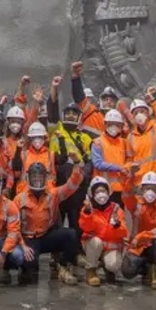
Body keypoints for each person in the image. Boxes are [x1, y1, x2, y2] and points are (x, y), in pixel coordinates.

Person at [14, 161, 87, 284]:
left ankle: (62, 266)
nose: (37, 180)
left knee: (71, 235)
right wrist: (23, 246)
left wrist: (76, 167)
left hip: (47, 236)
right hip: (28, 239)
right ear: (28, 178)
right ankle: (26, 269)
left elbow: (72, 185)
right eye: (34, 177)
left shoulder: (53, 194)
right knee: (29, 263)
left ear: (45, 179)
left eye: (40, 177)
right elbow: (14, 227)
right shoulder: (19, 199)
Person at [48, 100, 92, 240]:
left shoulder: (85, 137)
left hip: (78, 186)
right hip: (60, 183)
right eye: (68, 113)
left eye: (74, 113)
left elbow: (90, 161)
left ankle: (76, 253)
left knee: (76, 220)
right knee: (57, 218)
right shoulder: (55, 133)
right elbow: (52, 114)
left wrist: (84, 176)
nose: (71, 116)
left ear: (79, 116)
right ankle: (57, 255)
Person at [122, 172, 156, 289]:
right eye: (147, 188)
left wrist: (141, 236)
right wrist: (131, 177)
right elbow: (126, 194)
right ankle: (147, 270)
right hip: (138, 247)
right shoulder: (135, 204)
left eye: (153, 188)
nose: (150, 192)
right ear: (142, 189)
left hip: (153, 245)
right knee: (127, 271)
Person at [79, 176, 128, 286]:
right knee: (96, 242)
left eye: (103, 191)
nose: (101, 194)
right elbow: (85, 228)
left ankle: (108, 269)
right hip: (94, 246)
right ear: (92, 194)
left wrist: (117, 225)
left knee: (114, 265)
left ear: (108, 192)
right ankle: (91, 270)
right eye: (97, 192)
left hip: (111, 247)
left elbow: (124, 232)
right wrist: (87, 214)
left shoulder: (116, 209)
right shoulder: (88, 209)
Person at [126, 93, 156, 201]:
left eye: (142, 111)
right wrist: (130, 168)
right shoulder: (130, 137)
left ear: (147, 112)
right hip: (140, 182)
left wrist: (153, 102)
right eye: (136, 113)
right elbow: (129, 159)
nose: (139, 114)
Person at [90, 110, 132, 205]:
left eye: (117, 125)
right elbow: (98, 163)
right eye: (110, 124)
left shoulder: (124, 143)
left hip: (121, 189)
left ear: (121, 127)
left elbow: (130, 159)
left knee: (118, 217)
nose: (113, 127)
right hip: (101, 189)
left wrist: (127, 167)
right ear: (105, 125)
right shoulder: (97, 142)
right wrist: (119, 168)